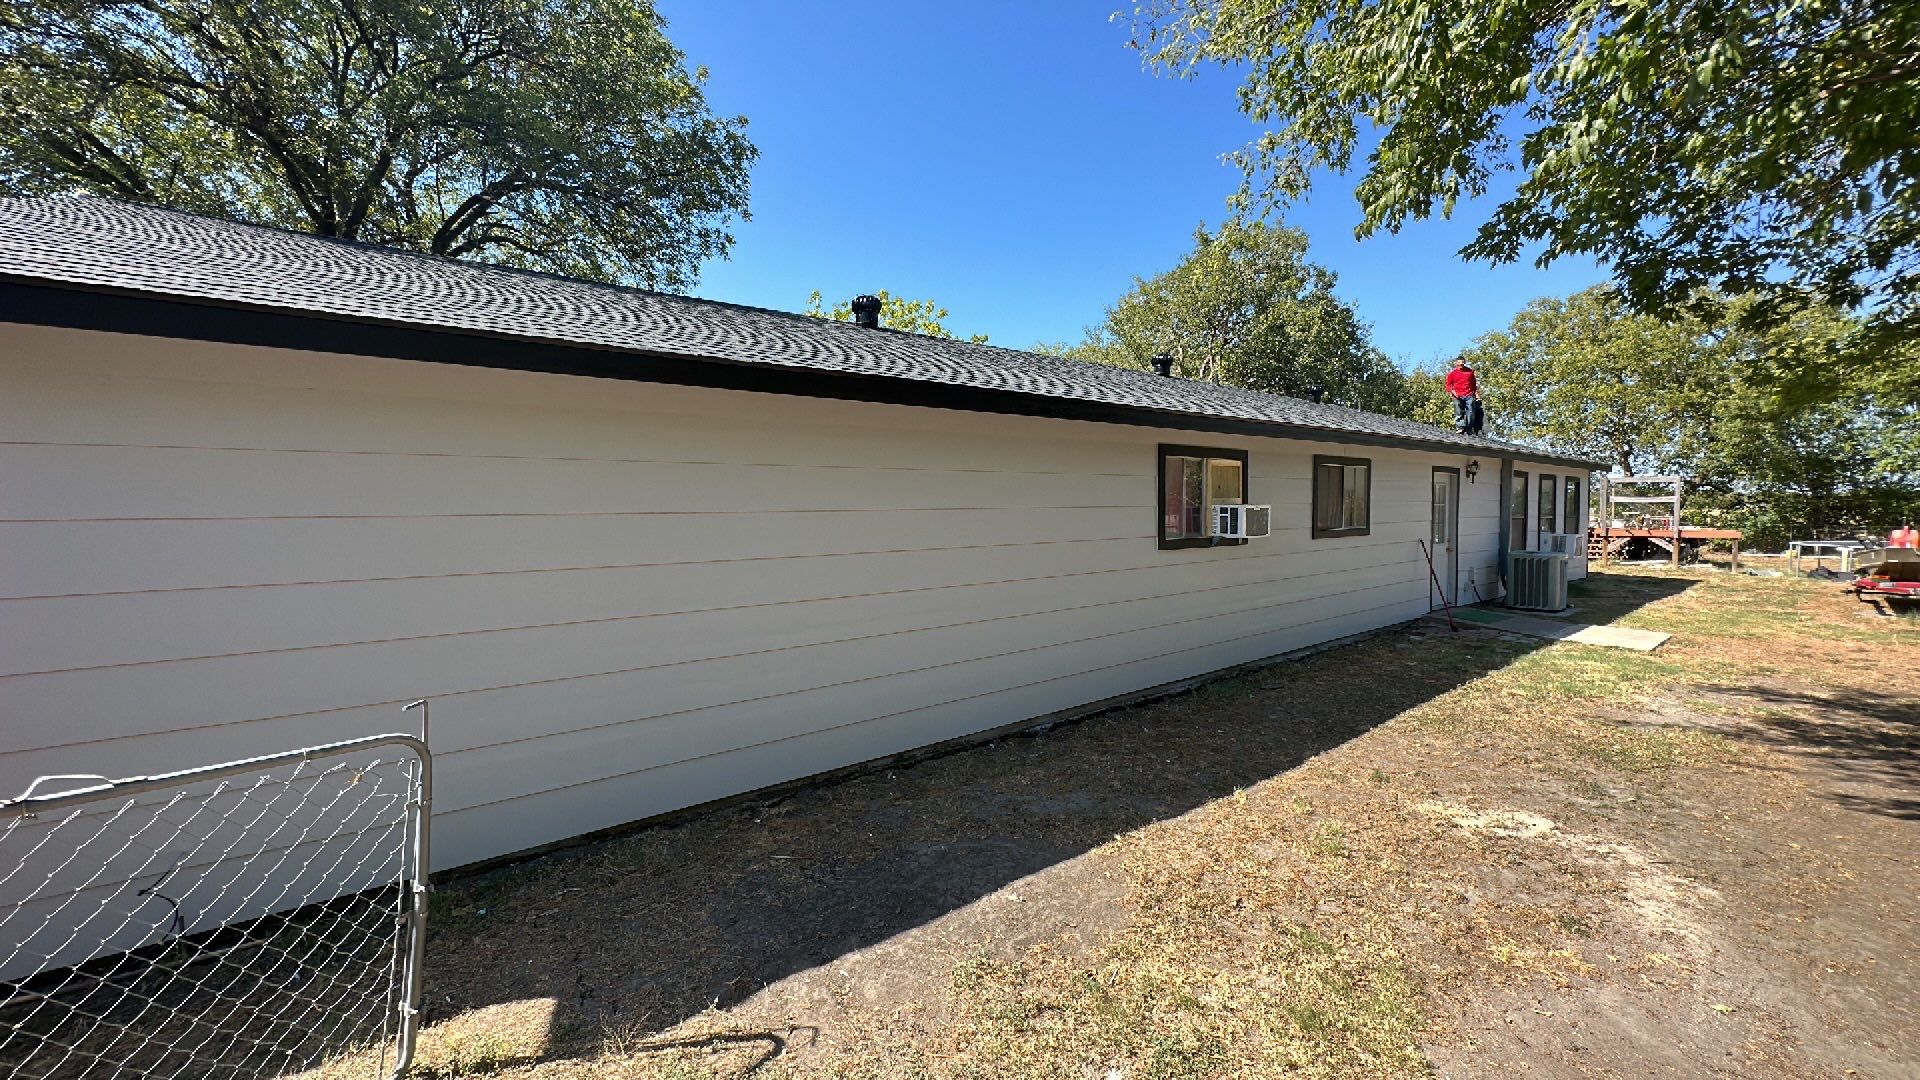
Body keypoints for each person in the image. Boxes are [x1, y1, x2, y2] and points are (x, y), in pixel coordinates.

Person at [1445, 358, 1480, 433]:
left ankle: (1469, 428)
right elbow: (1448, 385)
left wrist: (1476, 394)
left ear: (1464, 363)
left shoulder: (1470, 372)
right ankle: (1460, 427)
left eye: (1462, 363)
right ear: (1456, 363)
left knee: (1470, 411)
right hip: (1457, 395)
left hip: (1469, 394)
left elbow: (1474, 385)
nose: (1460, 364)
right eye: (1459, 363)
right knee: (1458, 410)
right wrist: (1452, 391)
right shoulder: (1452, 374)